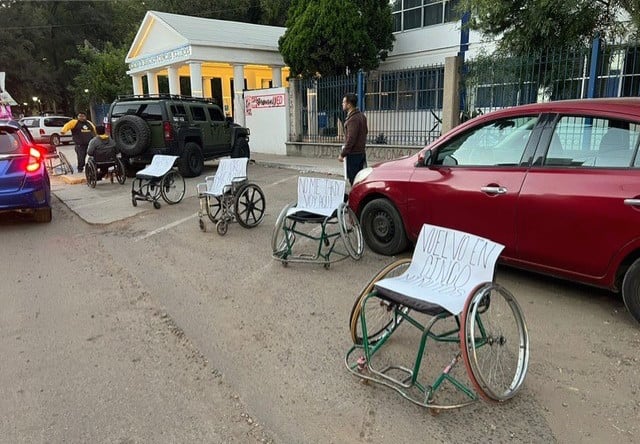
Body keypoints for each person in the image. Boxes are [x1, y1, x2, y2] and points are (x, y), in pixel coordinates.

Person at [338, 93, 368, 186]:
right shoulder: (361, 116)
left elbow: (351, 139)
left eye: (344, 102)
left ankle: (355, 200)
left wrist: (342, 154)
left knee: (354, 181)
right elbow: (366, 131)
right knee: (360, 180)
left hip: (353, 155)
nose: (342, 104)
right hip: (361, 153)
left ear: (349, 104)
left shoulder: (353, 119)